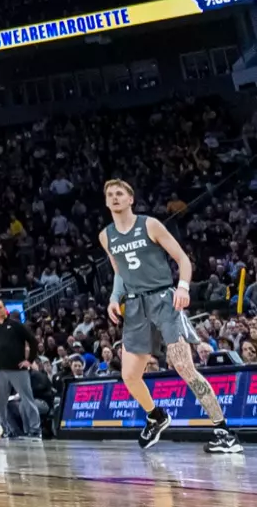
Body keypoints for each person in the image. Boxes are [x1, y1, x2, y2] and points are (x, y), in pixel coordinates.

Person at [99, 179, 242, 453]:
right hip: (136, 306)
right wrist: (113, 298)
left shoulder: (150, 224)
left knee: (183, 366)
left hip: (163, 299)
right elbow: (119, 272)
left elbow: (183, 260)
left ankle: (225, 431)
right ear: (106, 202)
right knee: (129, 375)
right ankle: (156, 416)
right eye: (110, 195)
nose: (115, 197)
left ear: (131, 199)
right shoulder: (106, 236)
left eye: (120, 193)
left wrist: (183, 287)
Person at [0, 300, 40, 439]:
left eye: (0, 307)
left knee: (27, 399)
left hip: (18, 370)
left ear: (5, 309)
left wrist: (30, 360)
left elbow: (33, 341)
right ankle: (4, 429)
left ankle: (35, 428)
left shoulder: (16, 325)